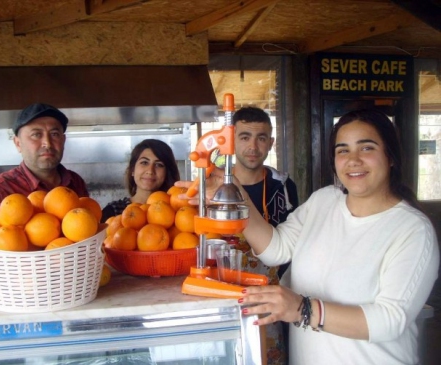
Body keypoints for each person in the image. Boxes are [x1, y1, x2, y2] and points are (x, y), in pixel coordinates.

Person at [180, 109, 439, 365]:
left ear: (390, 156)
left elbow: (389, 320)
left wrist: (302, 309)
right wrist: (235, 195)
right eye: (342, 150)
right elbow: (276, 248)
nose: (353, 160)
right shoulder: (324, 201)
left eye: (367, 148)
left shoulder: (412, 230)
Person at [231, 106, 299, 365]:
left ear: (270, 143)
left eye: (261, 138)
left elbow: (293, 239)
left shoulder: (282, 186)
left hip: (273, 293)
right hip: (226, 291)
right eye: (245, 136)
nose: (253, 146)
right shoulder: (216, 185)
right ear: (231, 139)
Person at [0, 102, 89, 208]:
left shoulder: (75, 182)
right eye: (36, 135)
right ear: (18, 143)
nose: (47, 143)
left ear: (63, 140)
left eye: (54, 134)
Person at [101, 139, 180, 222]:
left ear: (167, 173)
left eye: (159, 165)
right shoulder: (113, 211)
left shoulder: (177, 212)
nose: (150, 171)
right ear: (132, 170)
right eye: (144, 163)